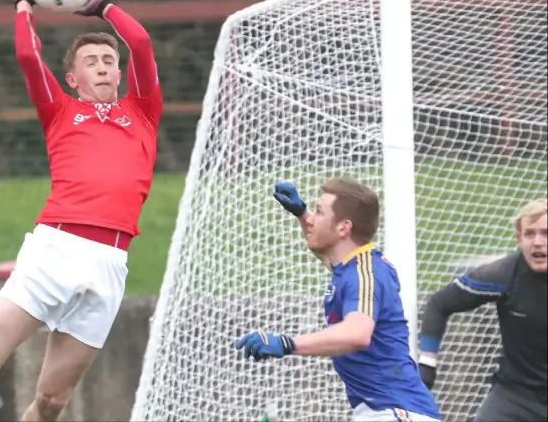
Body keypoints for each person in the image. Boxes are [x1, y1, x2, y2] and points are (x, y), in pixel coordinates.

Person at [0, 0, 162, 422]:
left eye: (108, 62)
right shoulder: (61, 111)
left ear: (119, 75)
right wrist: (23, 6)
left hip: (110, 264)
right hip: (54, 250)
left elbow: (139, 41)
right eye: (91, 62)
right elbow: (26, 55)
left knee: (54, 400)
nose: (103, 67)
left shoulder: (141, 112)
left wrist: (106, 8)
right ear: (72, 80)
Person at [234, 178, 441, 422]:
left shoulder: (365, 273)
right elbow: (324, 252)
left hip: (395, 411)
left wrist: (286, 343)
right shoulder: (351, 269)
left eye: (319, 212)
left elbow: (357, 333)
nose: (312, 218)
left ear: (344, 228)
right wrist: (303, 214)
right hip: (384, 411)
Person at [418, 198, 547, 422]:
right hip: (516, 395)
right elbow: (439, 303)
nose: (537, 242)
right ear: (519, 238)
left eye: (546, 233)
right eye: (530, 234)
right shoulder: (504, 274)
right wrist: (426, 367)